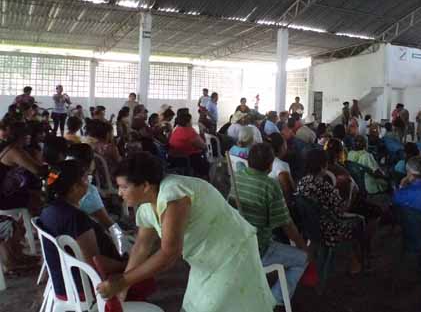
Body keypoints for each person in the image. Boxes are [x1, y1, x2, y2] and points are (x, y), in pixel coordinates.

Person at [97, 152, 275, 311]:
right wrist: (124, 285)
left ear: (145, 186)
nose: (119, 193)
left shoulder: (174, 194)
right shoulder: (147, 206)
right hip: (205, 258)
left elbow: (169, 253)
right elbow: (142, 246)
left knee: (216, 306)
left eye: (124, 187)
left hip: (232, 252)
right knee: (194, 306)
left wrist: (123, 281)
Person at [40, 160, 149, 302]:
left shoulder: (48, 210)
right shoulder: (75, 218)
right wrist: (127, 266)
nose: (89, 184)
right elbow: (95, 263)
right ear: (75, 187)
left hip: (63, 285)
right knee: (144, 278)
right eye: (86, 179)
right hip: (85, 289)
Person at [234, 143, 308, 308]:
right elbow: (287, 225)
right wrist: (304, 248)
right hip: (258, 250)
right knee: (302, 259)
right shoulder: (270, 185)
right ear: (270, 165)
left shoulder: (237, 175)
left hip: (236, 244)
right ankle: (274, 299)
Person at [297, 149, 365, 274]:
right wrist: (350, 191)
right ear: (323, 166)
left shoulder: (302, 182)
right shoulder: (324, 186)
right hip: (327, 230)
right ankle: (356, 262)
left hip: (309, 227)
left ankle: (352, 260)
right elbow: (342, 209)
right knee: (359, 221)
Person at [0, 120, 45, 214]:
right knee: (40, 199)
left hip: (7, 190)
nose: (30, 137)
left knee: (36, 192)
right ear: (22, 136)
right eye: (28, 134)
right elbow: (39, 171)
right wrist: (55, 172)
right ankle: (35, 221)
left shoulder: (12, 147)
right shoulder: (15, 151)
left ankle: (26, 219)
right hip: (3, 198)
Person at [168, 113, 209, 179]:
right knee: (204, 159)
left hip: (173, 158)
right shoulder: (189, 131)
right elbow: (203, 146)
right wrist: (202, 133)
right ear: (188, 122)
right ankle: (204, 177)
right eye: (191, 121)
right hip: (186, 159)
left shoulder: (176, 129)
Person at [268, 133, 295, 203]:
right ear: (282, 147)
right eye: (285, 143)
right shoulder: (282, 166)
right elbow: (289, 192)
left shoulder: (264, 160)